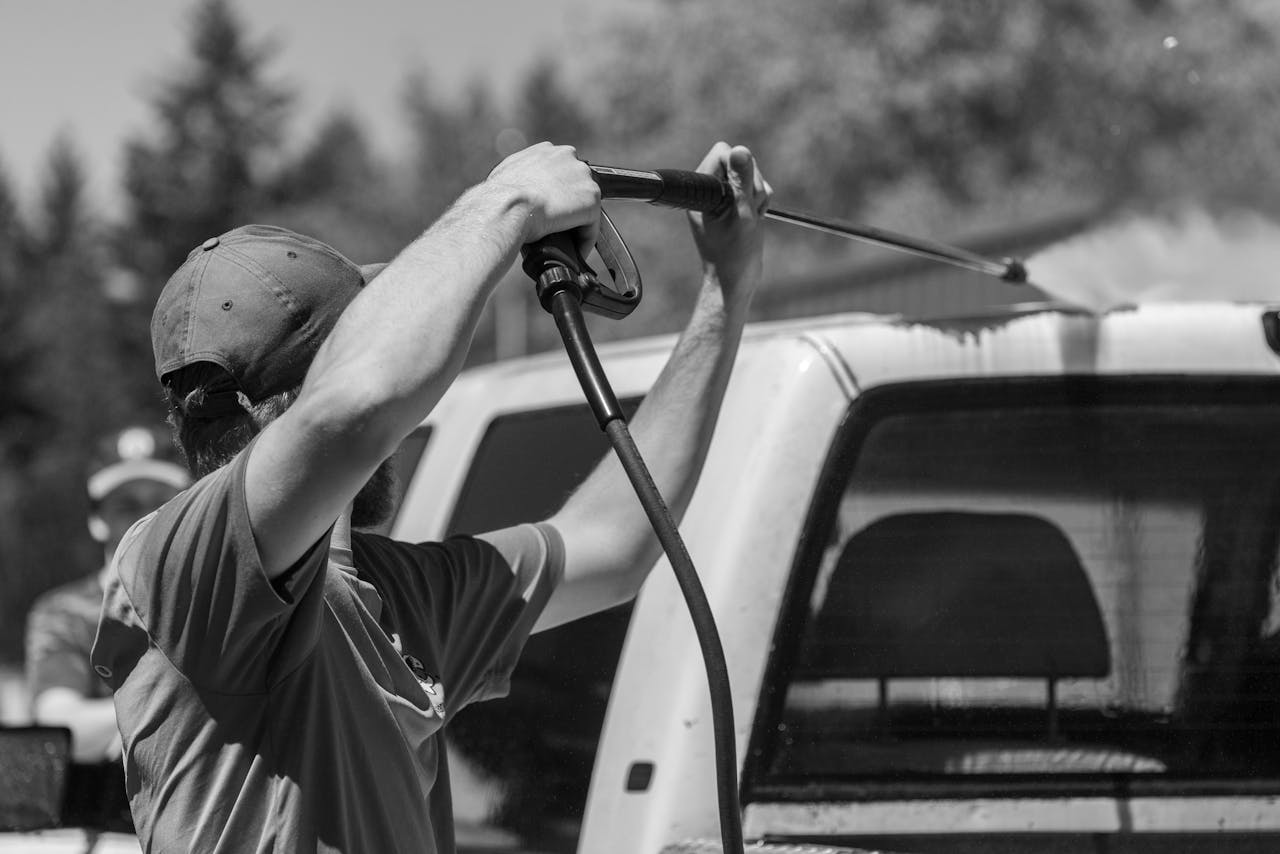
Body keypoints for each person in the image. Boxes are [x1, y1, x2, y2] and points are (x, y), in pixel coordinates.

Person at [89, 140, 770, 852]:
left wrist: (727, 289)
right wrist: (508, 201)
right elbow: (356, 406)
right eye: (365, 330)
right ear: (283, 406)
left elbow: (616, 543)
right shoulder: (183, 568)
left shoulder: (397, 593)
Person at [25, 424, 190, 830]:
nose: (145, 518)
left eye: (161, 503)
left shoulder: (212, 604)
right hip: (101, 828)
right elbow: (60, 730)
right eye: (126, 505)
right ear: (96, 520)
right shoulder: (65, 613)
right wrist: (170, 711)